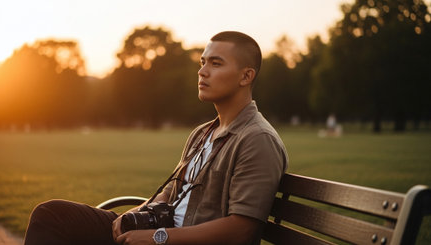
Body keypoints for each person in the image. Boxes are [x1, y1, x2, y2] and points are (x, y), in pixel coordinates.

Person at [24, 31, 288, 245]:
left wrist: (157, 238)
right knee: (52, 215)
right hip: (158, 230)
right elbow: (170, 193)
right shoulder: (203, 132)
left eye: (215, 63)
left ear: (246, 76)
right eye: (203, 62)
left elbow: (241, 231)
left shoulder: (257, 139)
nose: (202, 71)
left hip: (169, 239)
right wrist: (134, 215)